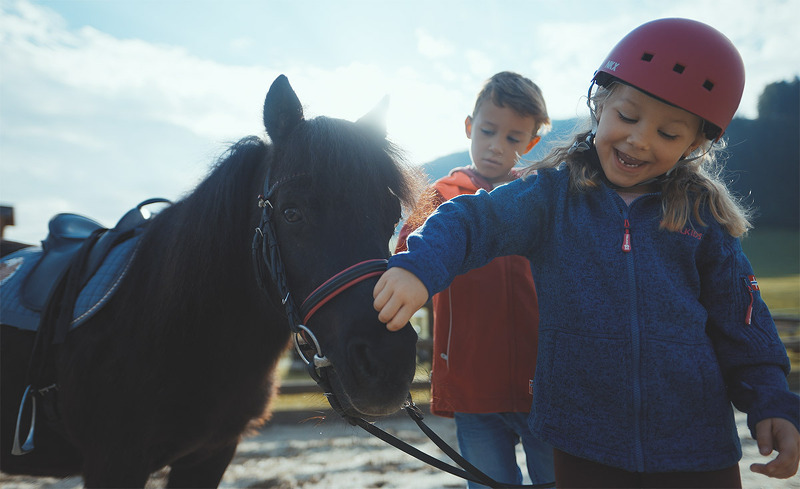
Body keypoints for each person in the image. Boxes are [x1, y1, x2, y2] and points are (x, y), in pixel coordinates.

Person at [374, 18, 800, 488]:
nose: (639, 139)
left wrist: (771, 399)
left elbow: (743, 315)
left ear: (695, 144)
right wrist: (420, 266)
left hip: (696, 446)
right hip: (584, 443)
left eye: (668, 133)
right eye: (628, 116)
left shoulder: (702, 217)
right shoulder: (553, 196)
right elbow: (474, 220)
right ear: (600, 106)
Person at [396, 71, 554, 488]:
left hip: (544, 380)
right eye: (487, 131)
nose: (496, 146)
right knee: (488, 482)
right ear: (470, 126)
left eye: (513, 138)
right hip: (472, 377)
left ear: (531, 144)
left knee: (556, 479)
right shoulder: (441, 195)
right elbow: (407, 249)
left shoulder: (539, 199)